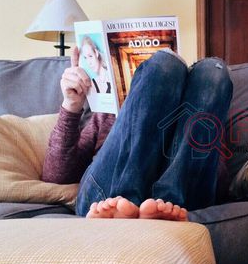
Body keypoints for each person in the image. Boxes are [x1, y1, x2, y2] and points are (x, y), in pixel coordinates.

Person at [42, 48, 233, 220]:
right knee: (165, 63)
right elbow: (56, 176)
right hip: (104, 197)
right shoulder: (106, 114)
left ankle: (165, 204)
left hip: (182, 198)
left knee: (214, 71)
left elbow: (221, 182)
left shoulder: (205, 112)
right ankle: (124, 200)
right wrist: (71, 105)